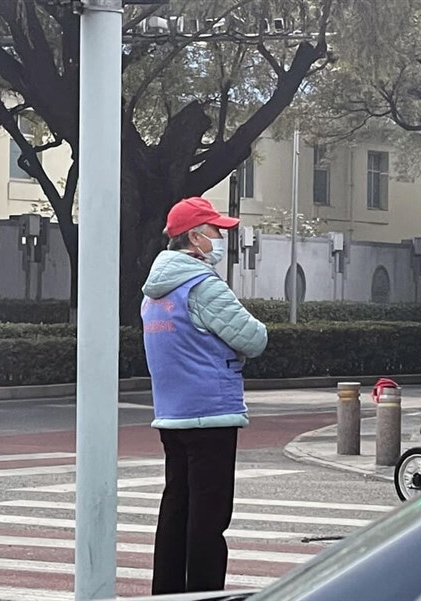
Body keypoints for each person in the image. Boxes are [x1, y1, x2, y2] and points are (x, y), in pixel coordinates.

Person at [141, 196, 268, 595]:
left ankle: (167, 592)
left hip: (172, 413)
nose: (220, 237)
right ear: (194, 237)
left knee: (176, 509)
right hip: (211, 413)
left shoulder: (153, 292)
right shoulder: (203, 285)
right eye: (215, 231)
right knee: (209, 520)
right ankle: (204, 593)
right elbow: (254, 337)